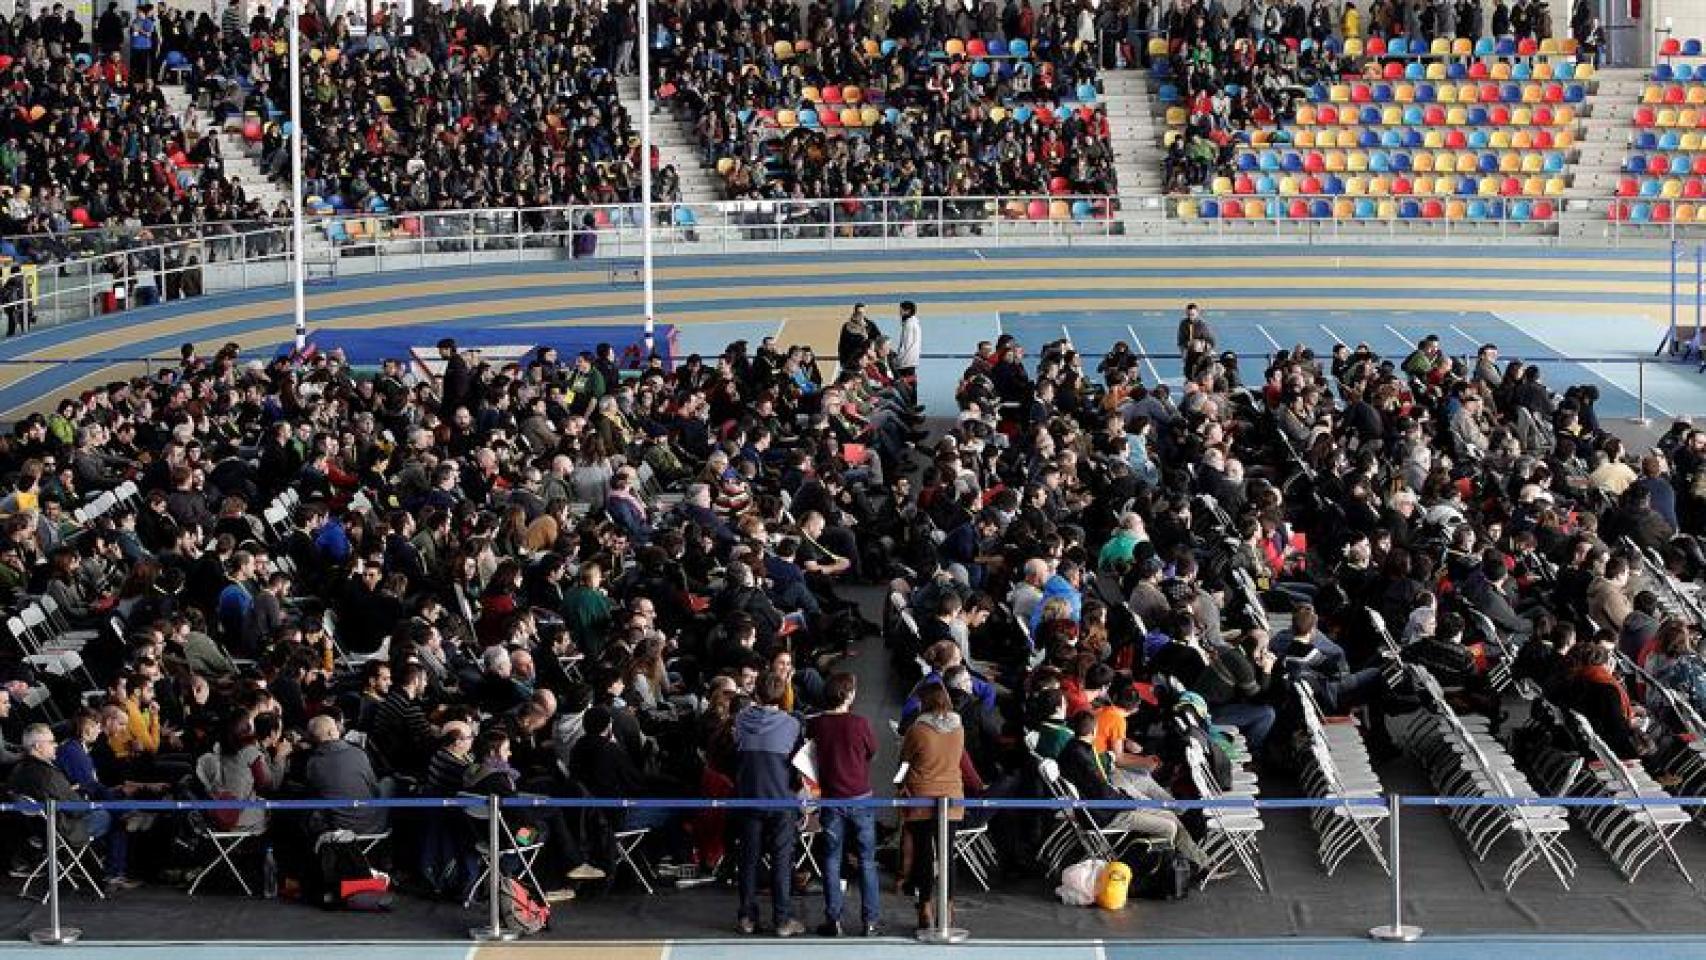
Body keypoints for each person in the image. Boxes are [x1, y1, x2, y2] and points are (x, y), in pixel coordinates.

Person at [10, 723, 137, 890]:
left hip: (41, 829)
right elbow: (76, 807)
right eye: (52, 741)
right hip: (65, 829)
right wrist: (90, 804)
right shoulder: (47, 774)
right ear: (38, 747)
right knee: (114, 817)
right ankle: (114, 874)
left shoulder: (19, 770)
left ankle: (128, 818)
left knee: (112, 812)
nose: (56, 745)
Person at [899, 682, 981, 933]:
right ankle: (948, 907)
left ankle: (925, 907)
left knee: (924, 854)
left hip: (922, 796)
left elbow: (905, 759)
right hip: (952, 796)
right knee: (947, 855)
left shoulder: (918, 730)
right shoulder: (959, 728)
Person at [806, 672, 881, 937]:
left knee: (831, 860)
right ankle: (870, 921)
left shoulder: (817, 725)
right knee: (866, 861)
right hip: (860, 798)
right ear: (848, 695)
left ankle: (833, 920)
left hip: (831, 800)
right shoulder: (860, 723)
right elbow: (872, 751)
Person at [734, 671, 804, 937]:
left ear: (756, 693)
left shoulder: (740, 720)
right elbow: (798, 764)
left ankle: (747, 918)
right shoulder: (792, 725)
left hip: (748, 799)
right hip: (781, 800)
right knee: (782, 861)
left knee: (749, 860)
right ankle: (783, 920)